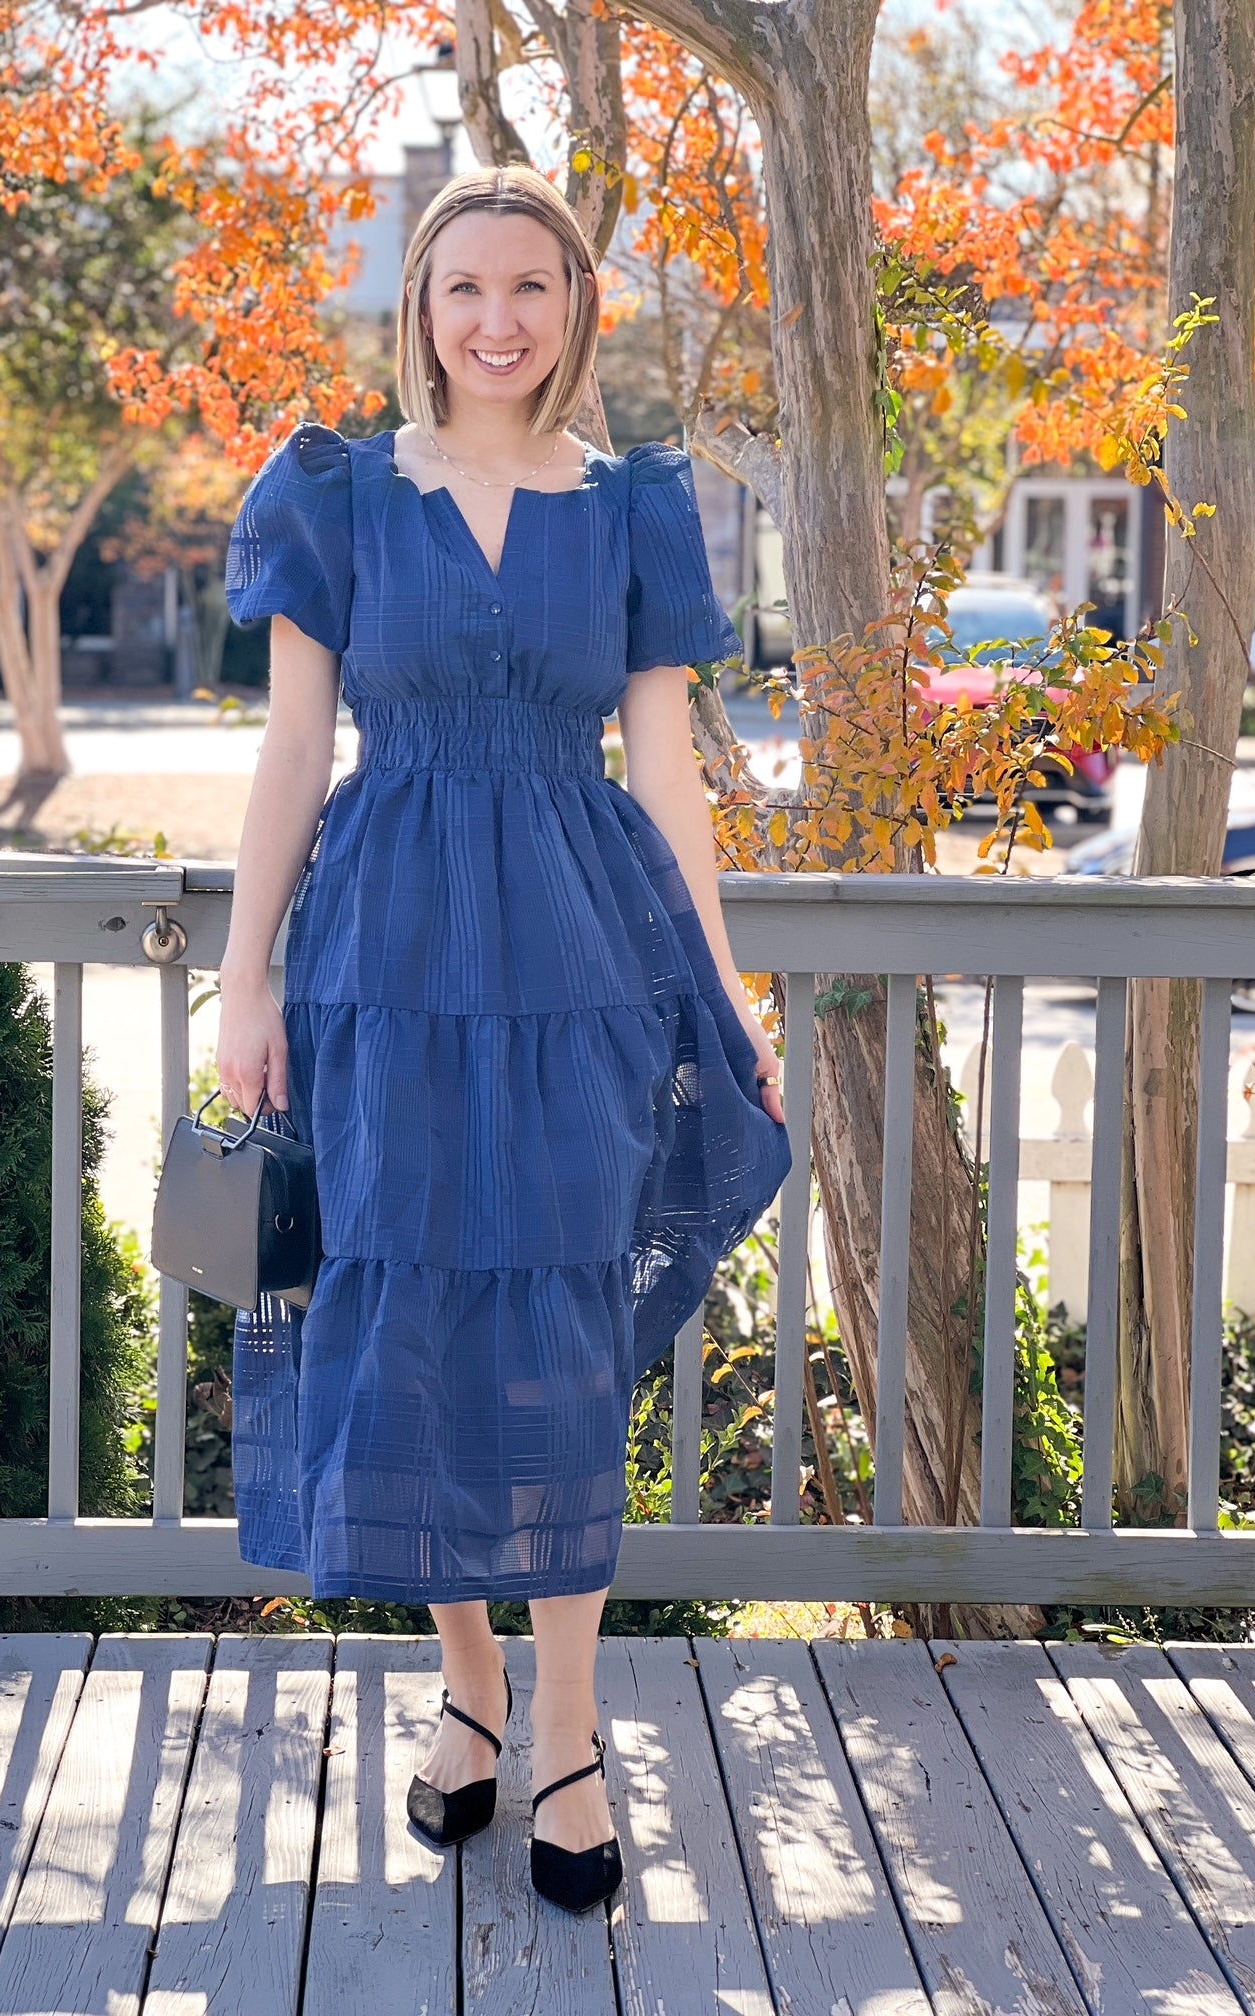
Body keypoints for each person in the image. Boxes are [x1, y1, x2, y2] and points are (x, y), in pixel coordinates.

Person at [217, 162, 792, 1916]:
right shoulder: (336, 496)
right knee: (398, 1312)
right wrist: (244, 984)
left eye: (528, 286)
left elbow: (670, 769)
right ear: (421, 307)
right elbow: (294, 758)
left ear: (576, 306)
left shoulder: (631, 510)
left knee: (553, 1318)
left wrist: (724, 974)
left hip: (574, 959)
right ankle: (464, 1689)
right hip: (379, 957)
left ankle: (563, 1724)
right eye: (462, 287)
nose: (495, 320)